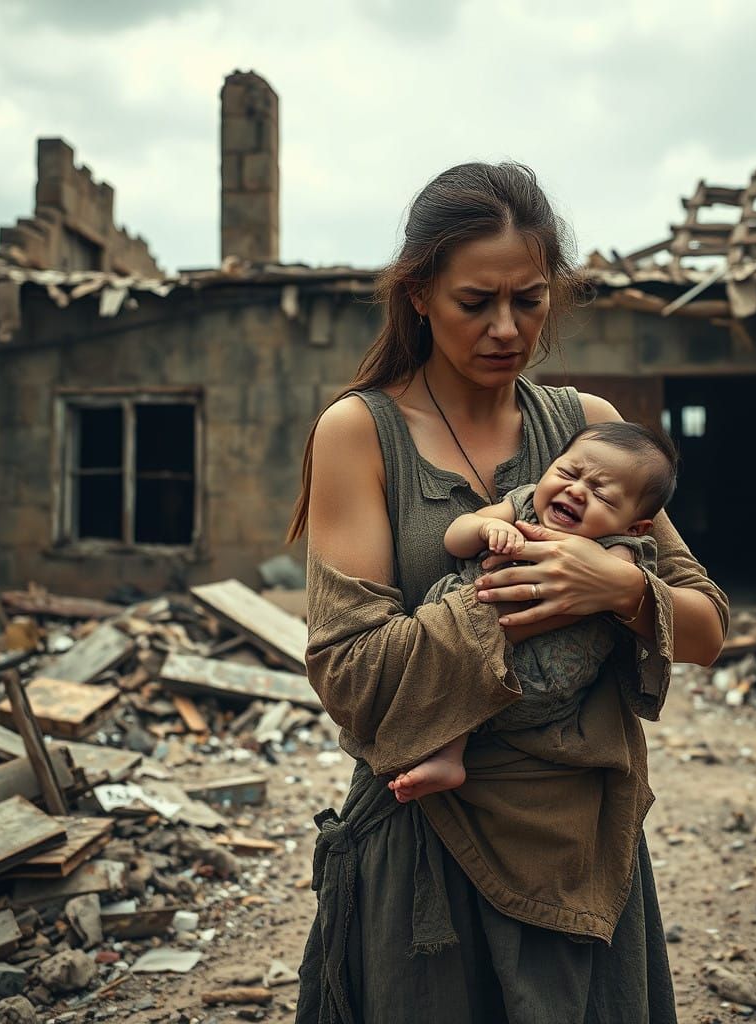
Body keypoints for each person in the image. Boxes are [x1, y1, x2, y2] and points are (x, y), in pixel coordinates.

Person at [290, 161, 728, 1024]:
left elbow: (706, 625)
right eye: (474, 302)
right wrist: (511, 593)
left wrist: (611, 584)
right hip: (427, 841)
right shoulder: (360, 432)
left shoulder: (590, 432)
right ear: (418, 293)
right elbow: (350, 672)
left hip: (580, 845)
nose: (506, 328)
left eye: (528, 300)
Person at [389, 420, 678, 803]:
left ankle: (450, 751)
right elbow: (455, 538)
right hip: (471, 628)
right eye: (568, 473)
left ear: (636, 525)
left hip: (541, 668)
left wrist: (601, 569)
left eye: (602, 496)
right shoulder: (523, 503)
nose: (576, 491)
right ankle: (449, 753)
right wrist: (486, 528)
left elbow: (620, 584)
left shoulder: (622, 545)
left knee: (467, 670)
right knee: (455, 659)